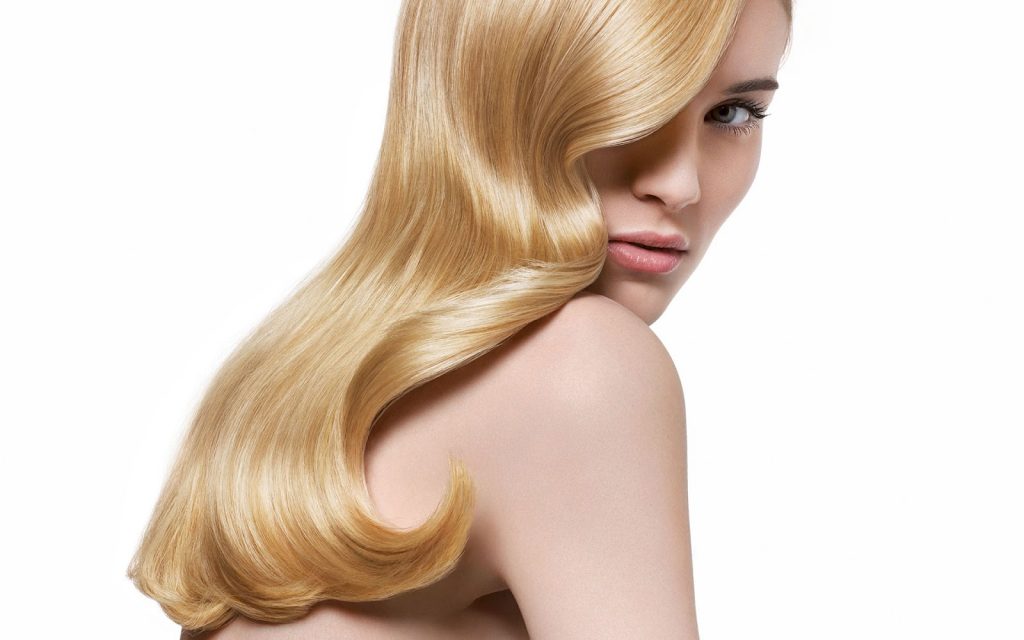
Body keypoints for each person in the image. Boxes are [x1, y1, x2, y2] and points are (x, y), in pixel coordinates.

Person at [127, 0, 794, 637]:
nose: (680, 184)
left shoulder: (294, 377)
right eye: (631, 100)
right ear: (491, 87)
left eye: (733, 113)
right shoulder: (585, 367)